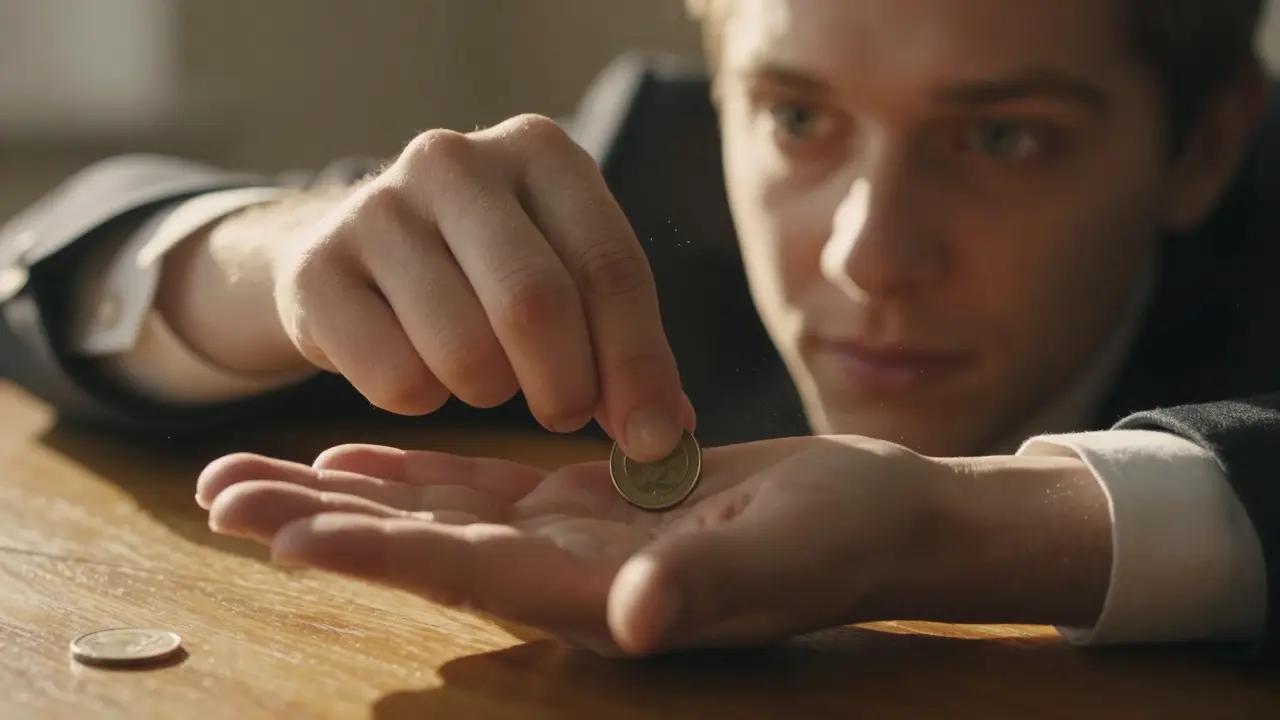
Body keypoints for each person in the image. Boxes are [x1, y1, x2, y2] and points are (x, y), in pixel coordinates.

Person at [0, 0, 1276, 660]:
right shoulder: (643, 183)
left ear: (1204, 144)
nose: (864, 253)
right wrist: (275, 257)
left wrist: (984, 529)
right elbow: (41, 269)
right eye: (794, 119)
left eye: (1001, 138)